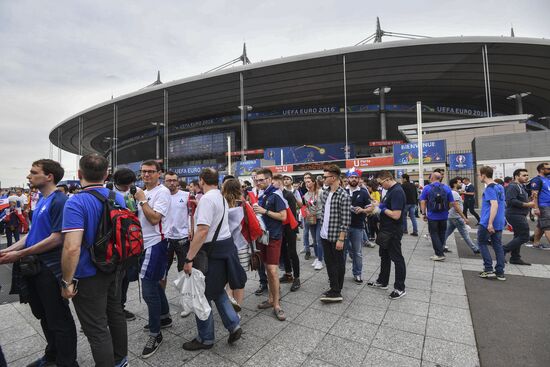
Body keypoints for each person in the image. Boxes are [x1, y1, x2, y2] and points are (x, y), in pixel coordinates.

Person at [0, 159, 78, 367]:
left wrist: (18, 255)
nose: (28, 176)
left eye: (34, 172)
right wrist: (7, 251)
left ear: (49, 176)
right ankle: (51, 355)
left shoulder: (59, 201)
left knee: (58, 319)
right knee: (43, 314)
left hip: (50, 270)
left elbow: (57, 238)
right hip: (34, 266)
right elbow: (32, 234)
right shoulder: (42, 200)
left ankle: (67, 362)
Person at [60, 154, 128, 367]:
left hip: (88, 273)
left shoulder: (75, 202)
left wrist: (66, 281)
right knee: (115, 313)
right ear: (107, 174)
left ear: (79, 174)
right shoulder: (117, 198)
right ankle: (121, 360)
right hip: (114, 267)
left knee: (96, 328)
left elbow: (72, 247)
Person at [182, 168, 246, 350]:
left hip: (211, 253)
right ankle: (233, 324)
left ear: (201, 180)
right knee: (217, 290)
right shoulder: (219, 196)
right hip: (225, 248)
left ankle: (206, 338)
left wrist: (188, 258)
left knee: (201, 295)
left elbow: (202, 231)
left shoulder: (207, 200)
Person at [133, 160, 172, 358]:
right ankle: (164, 317)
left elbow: (155, 218)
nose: (146, 175)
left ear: (159, 174)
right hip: (143, 243)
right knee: (155, 285)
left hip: (155, 243)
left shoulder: (161, 192)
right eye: (143, 172)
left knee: (148, 289)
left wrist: (141, 200)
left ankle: (155, 334)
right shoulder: (143, 192)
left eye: (150, 171)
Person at [252, 168, 288, 320]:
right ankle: (271, 299)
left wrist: (264, 211)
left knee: (272, 270)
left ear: (269, 179)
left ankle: (277, 305)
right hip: (263, 237)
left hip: (273, 237)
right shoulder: (261, 193)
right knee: (267, 268)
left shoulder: (276, 194)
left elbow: (283, 216)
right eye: (257, 180)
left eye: (261, 180)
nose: (258, 182)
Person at [223, 178, 262, 310]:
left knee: (228, 273)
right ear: (239, 189)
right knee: (239, 276)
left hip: (225, 245)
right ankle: (237, 306)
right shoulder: (244, 205)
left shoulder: (221, 205)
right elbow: (255, 226)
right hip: (242, 245)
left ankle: (228, 294)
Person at [367, 170, 407, 299]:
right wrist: (378, 205)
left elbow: (396, 215)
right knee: (384, 256)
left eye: (381, 183)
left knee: (397, 258)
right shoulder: (390, 190)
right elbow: (386, 205)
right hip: (385, 229)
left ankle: (400, 287)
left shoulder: (397, 192)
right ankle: (382, 281)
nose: (380, 186)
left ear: (387, 179)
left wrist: (381, 209)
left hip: (393, 230)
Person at [318, 164, 351, 303]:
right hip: (324, 235)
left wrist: (341, 239)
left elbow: (346, 219)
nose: (323, 179)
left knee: (338, 263)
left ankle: (337, 291)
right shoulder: (325, 193)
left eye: (325, 177)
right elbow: (324, 213)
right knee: (329, 262)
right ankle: (333, 287)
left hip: (336, 236)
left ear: (334, 177)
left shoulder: (343, 195)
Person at [111, 168, 140, 321]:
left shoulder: (135, 191)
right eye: (124, 186)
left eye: (129, 185)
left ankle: (120, 308)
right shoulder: (107, 191)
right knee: (110, 280)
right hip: (111, 242)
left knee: (125, 278)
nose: (127, 188)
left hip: (128, 242)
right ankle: (103, 313)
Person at [419, 172, 460, 261]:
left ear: (432, 178)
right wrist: (446, 210)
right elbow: (452, 202)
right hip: (444, 215)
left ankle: (439, 254)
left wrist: (423, 213)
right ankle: (440, 251)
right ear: (440, 178)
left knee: (434, 234)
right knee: (442, 233)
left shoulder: (427, 188)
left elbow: (423, 202)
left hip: (432, 216)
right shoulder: (446, 188)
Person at [477, 166, 506, 281]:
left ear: (484, 175)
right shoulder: (500, 187)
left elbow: (494, 205)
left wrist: (489, 223)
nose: (479, 176)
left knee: (482, 243)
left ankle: (488, 269)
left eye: (479, 174)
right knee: (497, 245)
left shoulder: (489, 188)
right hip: (499, 221)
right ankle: (500, 272)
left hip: (488, 221)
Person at [344, 169, 371, 284]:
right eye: (352, 177)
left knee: (358, 252)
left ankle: (357, 273)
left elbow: (370, 208)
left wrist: (363, 210)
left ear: (359, 179)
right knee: (342, 252)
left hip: (357, 226)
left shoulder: (364, 192)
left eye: (356, 177)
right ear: (348, 179)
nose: (354, 179)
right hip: (343, 227)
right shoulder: (342, 191)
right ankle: (341, 273)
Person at [276, 175, 302, 291]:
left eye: (274, 183)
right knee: (283, 252)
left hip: (289, 227)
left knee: (292, 252)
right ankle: (288, 274)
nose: (272, 185)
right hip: (279, 227)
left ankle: (297, 278)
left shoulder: (288, 195)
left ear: (279, 183)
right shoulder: (275, 195)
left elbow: (291, 214)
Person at [503, 169, 534, 265]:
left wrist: (530, 198)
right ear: (516, 176)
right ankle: (502, 250)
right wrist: (527, 205)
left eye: (527, 175)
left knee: (518, 236)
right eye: (524, 175)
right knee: (524, 237)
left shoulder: (520, 186)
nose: (526, 177)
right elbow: (511, 200)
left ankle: (515, 258)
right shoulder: (513, 186)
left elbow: (521, 199)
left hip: (519, 214)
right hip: (515, 214)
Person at [444, 177, 479, 254]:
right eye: (459, 183)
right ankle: (475, 249)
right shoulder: (454, 193)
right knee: (465, 234)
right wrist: (464, 218)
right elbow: (456, 206)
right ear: (454, 184)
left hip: (452, 216)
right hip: (456, 217)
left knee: (446, 232)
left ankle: (441, 246)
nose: (461, 184)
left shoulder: (454, 193)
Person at [303, 173, 324, 269]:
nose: (307, 183)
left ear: (313, 182)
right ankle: (317, 257)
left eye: (309, 181)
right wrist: (307, 212)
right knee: (314, 240)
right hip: (311, 219)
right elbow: (306, 207)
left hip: (320, 218)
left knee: (319, 240)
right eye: (305, 182)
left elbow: (325, 204)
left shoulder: (320, 192)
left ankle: (320, 260)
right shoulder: (306, 195)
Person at [529, 162, 550, 249]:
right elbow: (534, 195)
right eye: (548, 169)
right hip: (543, 206)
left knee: (541, 225)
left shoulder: (547, 179)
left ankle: (536, 243)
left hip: (548, 205)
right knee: (548, 226)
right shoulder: (537, 180)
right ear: (541, 170)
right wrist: (536, 208)